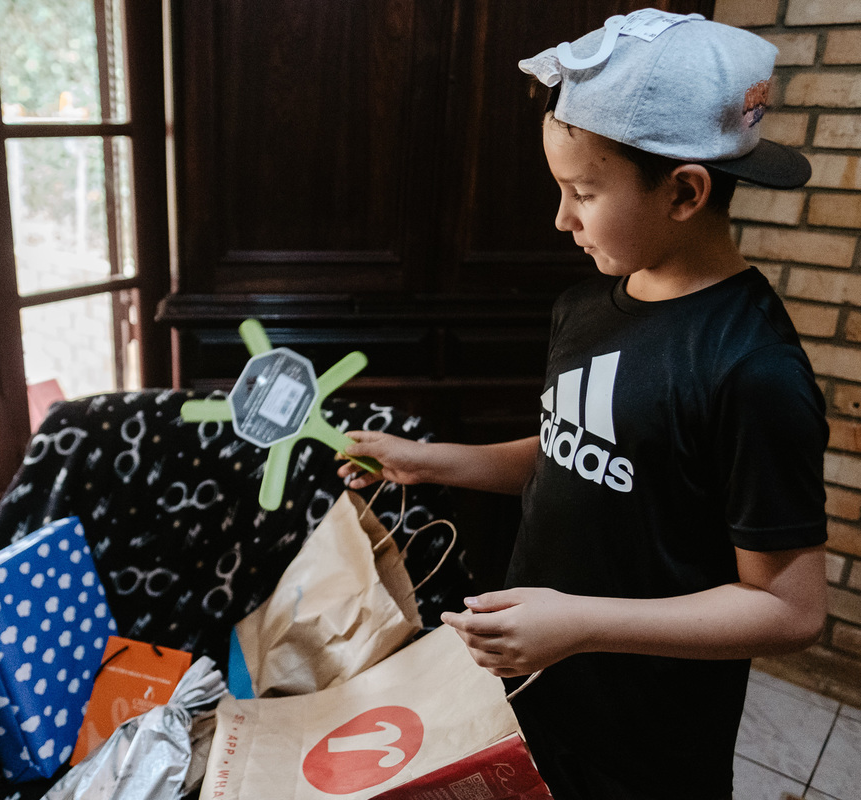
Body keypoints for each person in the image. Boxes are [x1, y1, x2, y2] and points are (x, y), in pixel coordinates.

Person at [338, 10, 828, 800]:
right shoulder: (589, 304)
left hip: (648, 738)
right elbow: (577, 450)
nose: (561, 218)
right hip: (543, 694)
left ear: (684, 192)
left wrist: (580, 624)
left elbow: (790, 608)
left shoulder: (753, 371)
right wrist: (434, 463)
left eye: (582, 192)